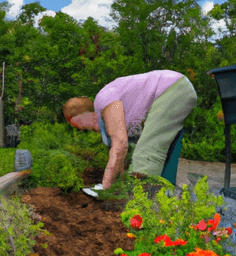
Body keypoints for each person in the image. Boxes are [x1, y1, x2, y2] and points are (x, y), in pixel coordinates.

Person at [62, 70, 197, 190]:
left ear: (78, 117)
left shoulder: (103, 99)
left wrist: (105, 187)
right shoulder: (109, 118)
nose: (81, 129)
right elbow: (121, 154)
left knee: (146, 154)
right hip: (178, 89)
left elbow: (120, 145)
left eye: (77, 125)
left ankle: (139, 204)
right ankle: (164, 199)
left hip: (172, 89)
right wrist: (117, 183)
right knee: (163, 154)